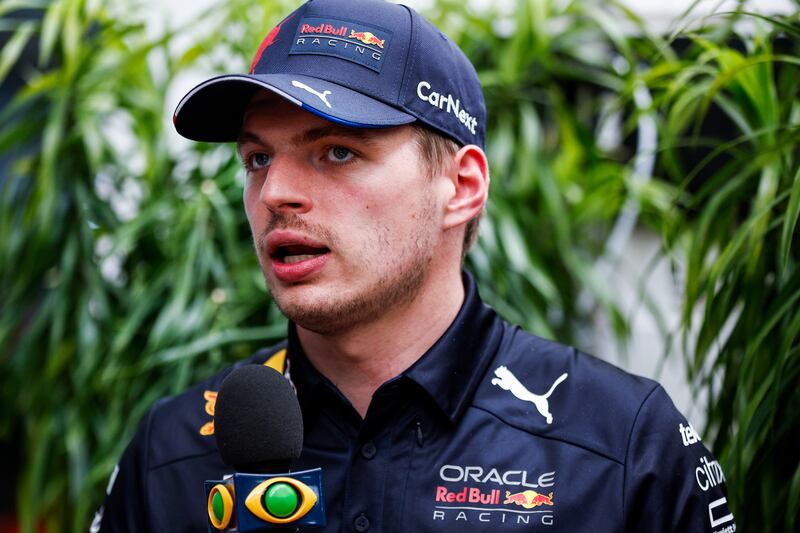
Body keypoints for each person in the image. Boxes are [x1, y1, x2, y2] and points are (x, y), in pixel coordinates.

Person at [93, 0, 736, 531]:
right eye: (257, 158)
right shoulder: (171, 453)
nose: (274, 193)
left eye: (338, 151)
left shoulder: (621, 446)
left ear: (459, 187)